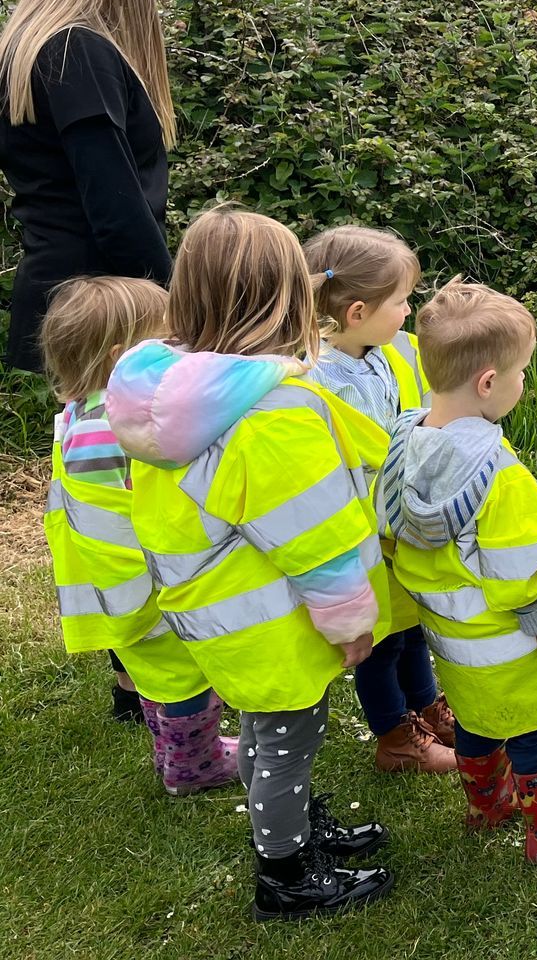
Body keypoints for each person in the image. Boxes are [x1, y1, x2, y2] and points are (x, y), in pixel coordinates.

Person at [106, 206, 394, 922]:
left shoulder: (174, 398)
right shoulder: (274, 415)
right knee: (289, 741)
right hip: (278, 622)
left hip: (219, 613)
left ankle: (295, 826)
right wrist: (352, 623)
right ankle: (286, 873)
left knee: (269, 733)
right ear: (290, 297)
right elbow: (315, 541)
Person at [1, 0, 179, 722]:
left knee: (98, 493)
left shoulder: (31, 44)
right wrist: (176, 307)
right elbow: (114, 205)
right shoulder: (77, 51)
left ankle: (130, 671)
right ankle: (150, 673)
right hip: (109, 300)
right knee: (137, 486)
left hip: (63, 295)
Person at [379, 280, 537, 866]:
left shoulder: (403, 444)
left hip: (450, 638)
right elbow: (519, 571)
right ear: (488, 382)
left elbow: (388, 531)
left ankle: (488, 806)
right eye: (520, 374)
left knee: (479, 722)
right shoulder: (500, 475)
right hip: (509, 642)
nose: (522, 384)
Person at [39, 274, 239, 795]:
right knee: (182, 676)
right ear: (120, 357)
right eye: (168, 342)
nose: (182, 351)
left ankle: (175, 750)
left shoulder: (78, 414)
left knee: (155, 673)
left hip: (112, 581)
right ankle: (193, 766)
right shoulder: (117, 427)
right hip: (143, 582)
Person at [305, 225, 454, 775]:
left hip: (395, 518)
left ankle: (427, 707)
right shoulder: (322, 377)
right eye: (401, 301)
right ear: (357, 311)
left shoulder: (376, 354)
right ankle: (395, 735)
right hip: (365, 528)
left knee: (410, 623)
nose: (408, 310)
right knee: (382, 637)